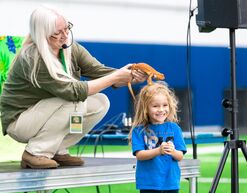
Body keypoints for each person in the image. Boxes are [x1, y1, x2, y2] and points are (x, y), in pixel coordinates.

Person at [0, 6, 147, 169]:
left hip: (46, 112)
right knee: (74, 101)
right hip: (20, 122)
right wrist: (116, 76)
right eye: (58, 32)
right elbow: (74, 92)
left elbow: (97, 71)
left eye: (67, 28)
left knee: (100, 102)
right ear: (43, 34)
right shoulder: (33, 58)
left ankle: (57, 150)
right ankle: (36, 152)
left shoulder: (69, 47)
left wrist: (129, 75)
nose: (65, 35)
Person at [129, 82, 187, 193]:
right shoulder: (139, 131)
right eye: (155, 106)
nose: (161, 110)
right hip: (149, 185)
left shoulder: (174, 128)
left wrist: (173, 151)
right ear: (146, 108)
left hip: (171, 184)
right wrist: (158, 151)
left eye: (165, 105)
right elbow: (140, 155)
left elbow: (180, 156)